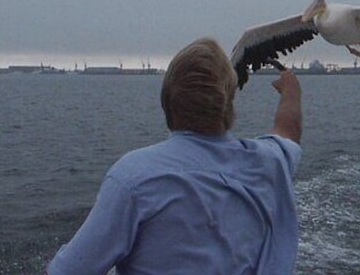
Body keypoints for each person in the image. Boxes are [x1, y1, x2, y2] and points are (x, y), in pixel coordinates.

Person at [47, 37, 303, 274]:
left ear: (167, 100)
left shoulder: (134, 178)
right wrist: (291, 91)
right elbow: (288, 130)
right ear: (228, 101)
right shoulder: (268, 162)